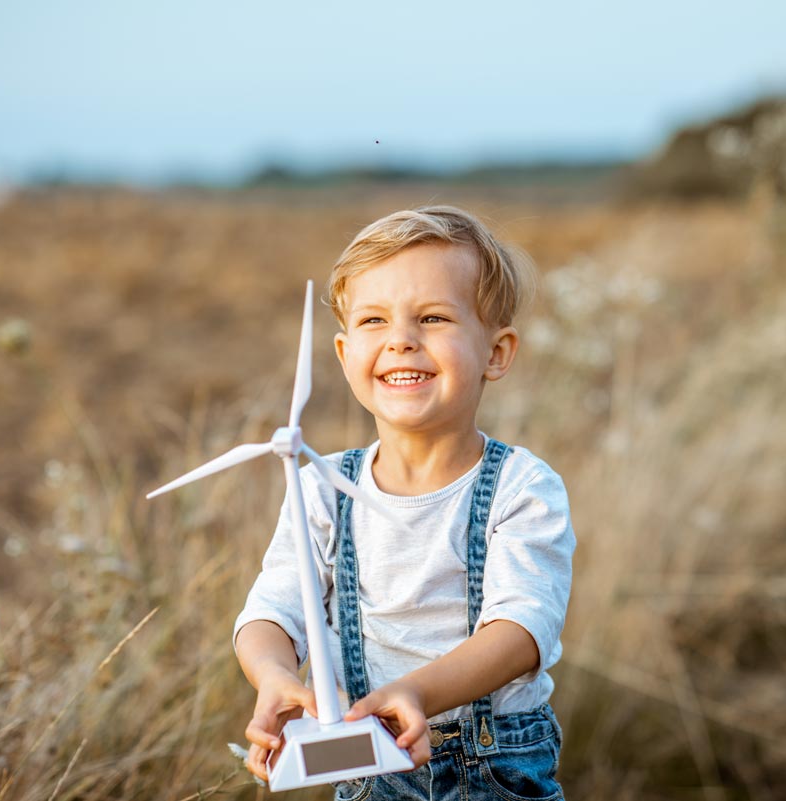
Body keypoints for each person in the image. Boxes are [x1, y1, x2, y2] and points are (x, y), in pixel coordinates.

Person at [234, 205, 575, 800]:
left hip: (494, 765)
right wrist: (275, 676)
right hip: (366, 765)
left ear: (496, 353)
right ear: (343, 355)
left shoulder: (522, 487)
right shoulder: (319, 485)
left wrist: (419, 692)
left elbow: (523, 628)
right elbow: (273, 610)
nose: (400, 341)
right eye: (373, 320)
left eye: (433, 317)